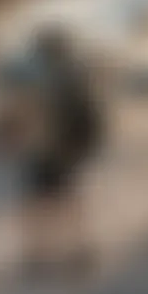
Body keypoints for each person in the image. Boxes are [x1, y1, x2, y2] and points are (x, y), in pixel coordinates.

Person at [14, 26, 104, 278]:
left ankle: (44, 252)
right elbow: (90, 119)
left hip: (50, 150)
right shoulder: (69, 79)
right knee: (62, 202)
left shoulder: (51, 80)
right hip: (57, 151)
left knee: (43, 203)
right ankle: (71, 250)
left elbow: (85, 118)